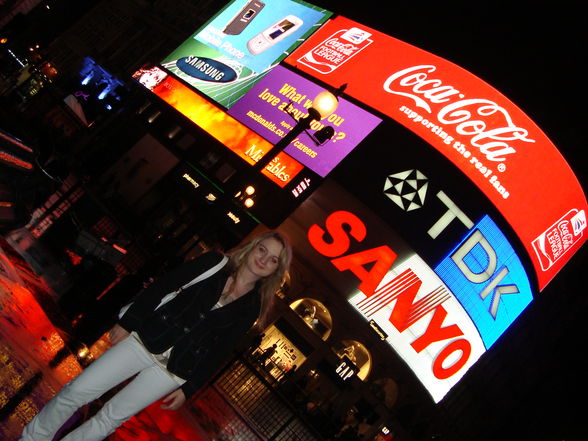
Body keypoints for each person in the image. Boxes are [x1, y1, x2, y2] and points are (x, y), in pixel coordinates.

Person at [20, 230, 292, 441]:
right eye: (262, 249)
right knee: (77, 391)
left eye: (273, 259)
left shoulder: (251, 307)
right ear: (251, 248)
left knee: (110, 418)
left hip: (172, 371)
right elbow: (164, 286)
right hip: (144, 340)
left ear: (276, 270)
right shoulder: (215, 263)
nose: (263, 259)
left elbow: (220, 351)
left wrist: (188, 389)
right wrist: (128, 322)